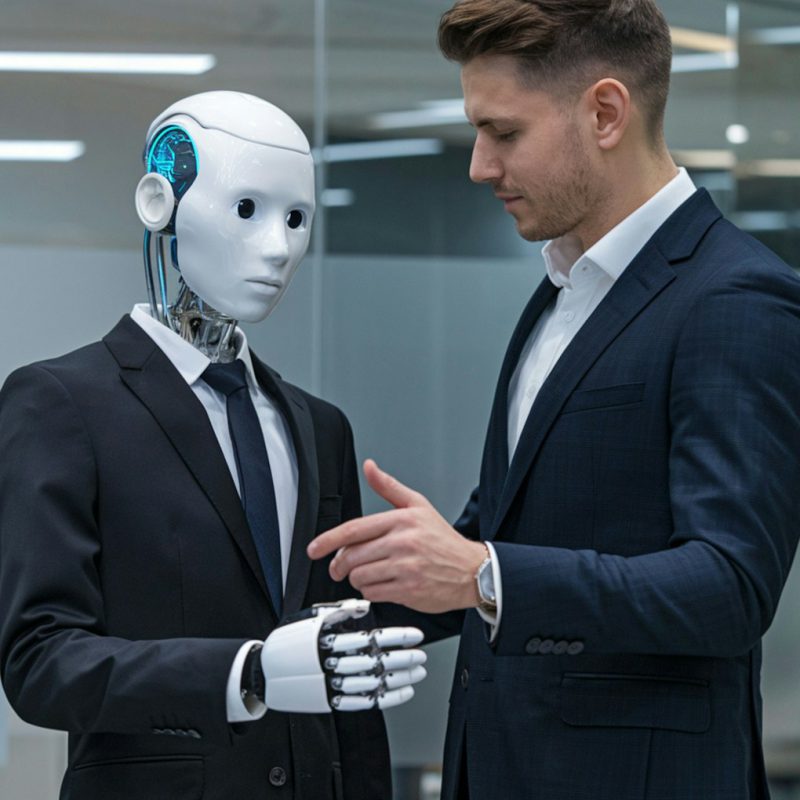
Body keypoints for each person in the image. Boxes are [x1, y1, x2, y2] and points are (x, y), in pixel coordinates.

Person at [307, 2, 800, 798]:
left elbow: (729, 586)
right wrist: (328, 611)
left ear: (605, 112)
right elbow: (512, 535)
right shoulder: (560, 293)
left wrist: (484, 575)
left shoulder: (736, 300)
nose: (478, 165)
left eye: (504, 133)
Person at [0, 90, 428, 800]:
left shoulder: (319, 426)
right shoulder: (61, 404)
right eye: (247, 210)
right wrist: (246, 673)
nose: (278, 246)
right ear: (158, 202)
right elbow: (41, 661)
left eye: (297, 218)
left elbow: (343, 669)